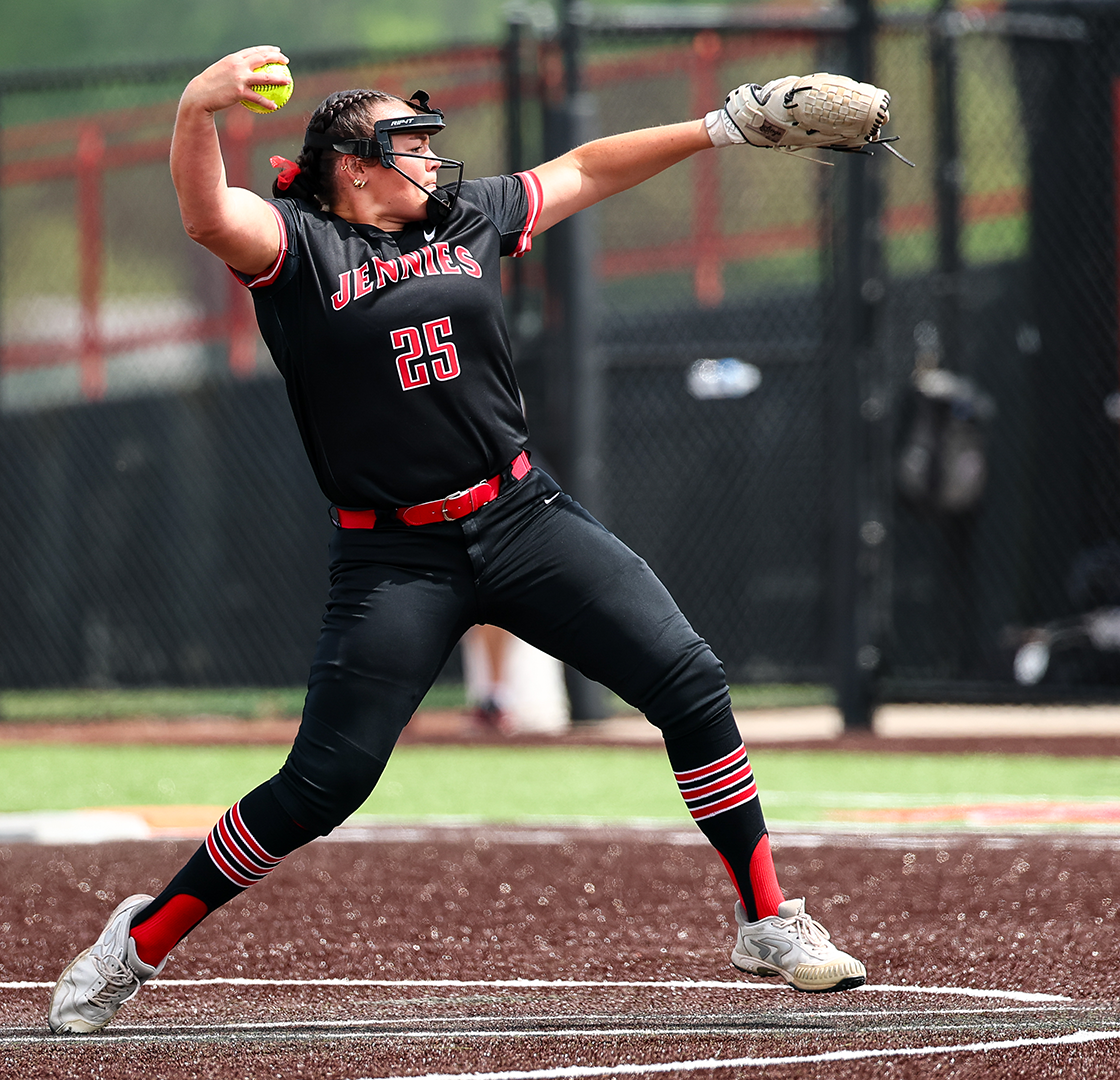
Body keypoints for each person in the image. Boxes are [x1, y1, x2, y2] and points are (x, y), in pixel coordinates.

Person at [48, 47, 871, 1033]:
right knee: (324, 785)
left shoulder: (467, 219)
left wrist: (721, 127)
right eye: (410, 143)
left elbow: (588, 167)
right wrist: (196, 107)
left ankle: (768, 917)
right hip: (395, 555)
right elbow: (204, 212)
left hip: (520, 516)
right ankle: (139, 942)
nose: (433, 158)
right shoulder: (301, 248)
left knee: (689, 680)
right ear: (354, 167)